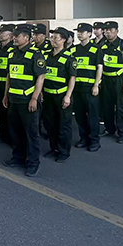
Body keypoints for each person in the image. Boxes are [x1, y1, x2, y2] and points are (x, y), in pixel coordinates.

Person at [2, 24, 46, 177]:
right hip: (14, 99)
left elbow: (41, 77)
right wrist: (6, 95)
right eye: (14, 36)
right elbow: (9, 75)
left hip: (28, 100)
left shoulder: (35, 54)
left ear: (26, 38)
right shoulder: (12, 53)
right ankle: (18, 157)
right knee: (16, 131)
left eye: (17, 36)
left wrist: (34, 98)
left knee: (31, 133)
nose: (14, 38)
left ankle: (33, 162)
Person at [42, 27, 77, 163]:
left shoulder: (69, 57)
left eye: (56, 38)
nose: (53, 40)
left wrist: (68, 96)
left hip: (61, 95)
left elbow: (72, 78)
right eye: (52, 37)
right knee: (50, 124)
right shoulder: (46, 55)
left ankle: (63, 152)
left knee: (63, 125)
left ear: (63, 40)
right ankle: (54, 148)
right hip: (47, 95)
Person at [69, 23, 103, 152]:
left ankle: (94, 140)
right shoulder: (73, 50)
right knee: (80, 115)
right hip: (77, 88)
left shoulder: (95, 49)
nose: (79, 34)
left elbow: (99, 68)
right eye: (78, 32)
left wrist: (96, 85)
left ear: (89, 34)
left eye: (82, 32)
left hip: (90, 89)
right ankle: (83, 138)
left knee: (93, 116)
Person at [100, 21, 123, 144]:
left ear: (117, 31)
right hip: (105, 80)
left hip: (119, 81)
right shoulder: (102, 45)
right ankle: (109, 129)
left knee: (121, 107)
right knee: (106, 106)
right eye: (106, 30)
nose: (108, 32)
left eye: (111, 30)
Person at [0, 23, 15, 145]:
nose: (0, 35)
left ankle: (11, 137)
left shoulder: (13, 50)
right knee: (1, 110)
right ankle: (3, 134)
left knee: (10, 113)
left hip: (10, 85)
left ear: (10, 35)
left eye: (3, 33)